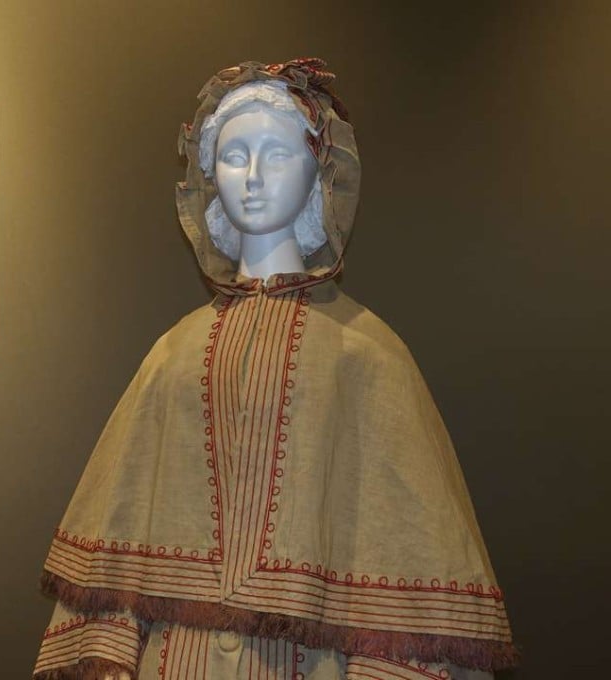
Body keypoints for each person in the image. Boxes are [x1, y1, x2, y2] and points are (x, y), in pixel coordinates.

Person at [33, 60, 516, 680]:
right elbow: (118, 556)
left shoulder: (366, 357)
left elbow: (407, 551)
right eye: (234, 156)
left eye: (277, 154)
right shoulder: (173, 355)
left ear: (319, 174)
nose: (253, 177)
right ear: (208, 176)